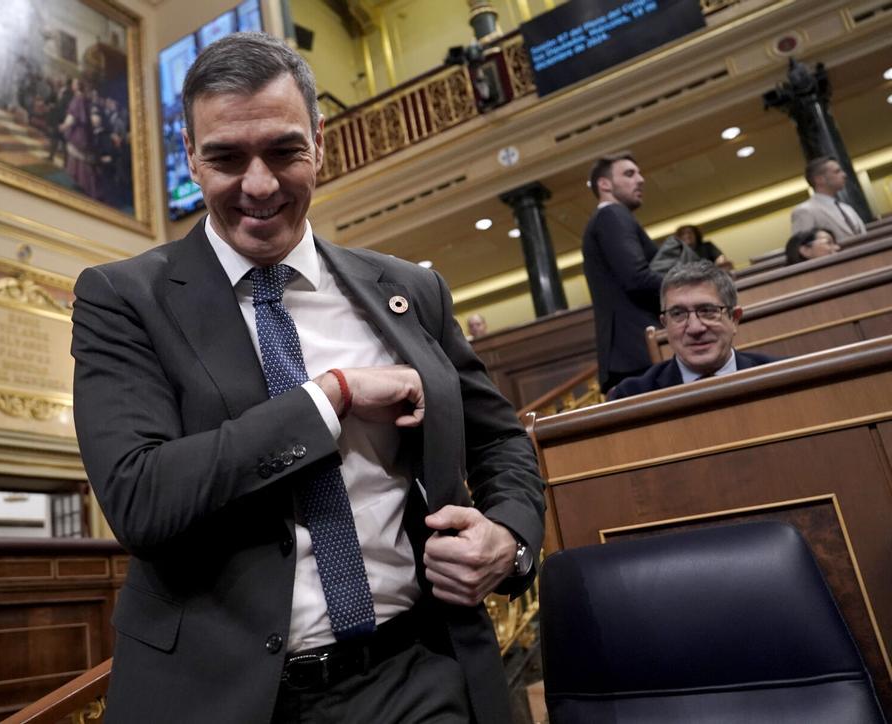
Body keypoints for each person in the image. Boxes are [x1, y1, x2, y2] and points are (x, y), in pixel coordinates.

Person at [70, 32, 545, 724]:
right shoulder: (124, 299)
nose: (258, 185)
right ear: (193, 162)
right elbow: (142, 499)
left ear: (319, 143)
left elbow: (499, 442)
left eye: (284, 150)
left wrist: (508, 536)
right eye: (227, 158)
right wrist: (332, 397)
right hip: (227, 698)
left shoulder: (409, 290)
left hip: (415, 674)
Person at [608, 261, 779, 400]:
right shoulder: (632, 396)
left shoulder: (781, 377)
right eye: (678, 314)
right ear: (665, 324)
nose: (695, 328)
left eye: (707, 311)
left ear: (734, 318)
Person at [582, 151, 664, 391]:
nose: (640, 179)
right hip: (637, 349)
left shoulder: (607, 218)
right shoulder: (611, 214)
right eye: (629, 174)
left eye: (639, 173)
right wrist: (692, 285)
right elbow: (636, 278)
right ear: (604, 184)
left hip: (628, 353)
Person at [790, 156, 867, 241]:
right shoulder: (804, 211)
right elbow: (803, 247)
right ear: (820, 179)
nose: (844, 175)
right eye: (837, 172)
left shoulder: (847, 208)